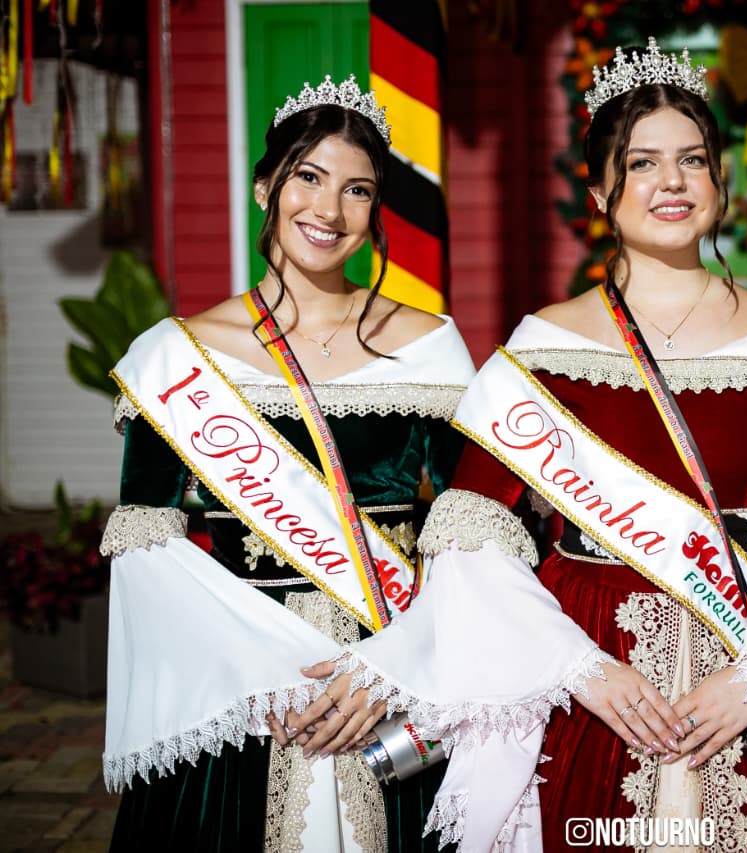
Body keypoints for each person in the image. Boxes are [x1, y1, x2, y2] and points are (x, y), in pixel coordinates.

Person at [285, 39, 747, 851]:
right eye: (642, 163)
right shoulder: (544, 347)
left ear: (720, 181)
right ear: (601, 192)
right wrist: (580, 668)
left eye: (692, 160)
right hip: (589, 671)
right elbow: (471, 538)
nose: (672, 182)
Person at [101, 74, 475, 852]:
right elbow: (147, 550)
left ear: (376, 211)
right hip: (246, 690)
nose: (328, 211)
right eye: (308, 177)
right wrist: (261, 674)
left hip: (392, 677)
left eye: (357, 190)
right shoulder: (180, 357)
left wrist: (395, 664)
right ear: (264, 186)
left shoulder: (429, 347)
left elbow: (472, 527)